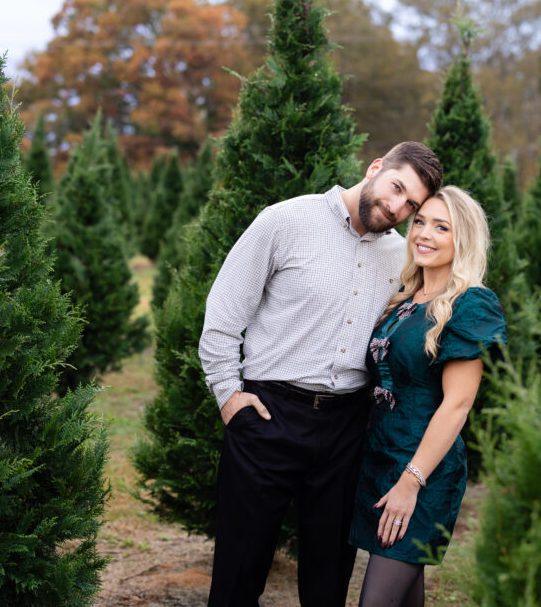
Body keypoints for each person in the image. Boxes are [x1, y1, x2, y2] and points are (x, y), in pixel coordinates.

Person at [199, 141, 443, 607]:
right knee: (237, 575)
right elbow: (223, 316)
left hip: (347, 430)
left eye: (410, 204)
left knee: (328, 583)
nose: (396, 207)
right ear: (375, 168)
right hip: (268, 417)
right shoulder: (285, 221)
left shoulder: (401, 257)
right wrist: (229, 397)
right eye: (396, 188)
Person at [349, 186, 507, 607]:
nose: (424, 234)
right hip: (379, 462)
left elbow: (457, 404)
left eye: (442, 227)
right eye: (420, 222)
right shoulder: (403, 299)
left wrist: (411, 481)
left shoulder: (471, 305)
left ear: (463, 240)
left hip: (422, 472)